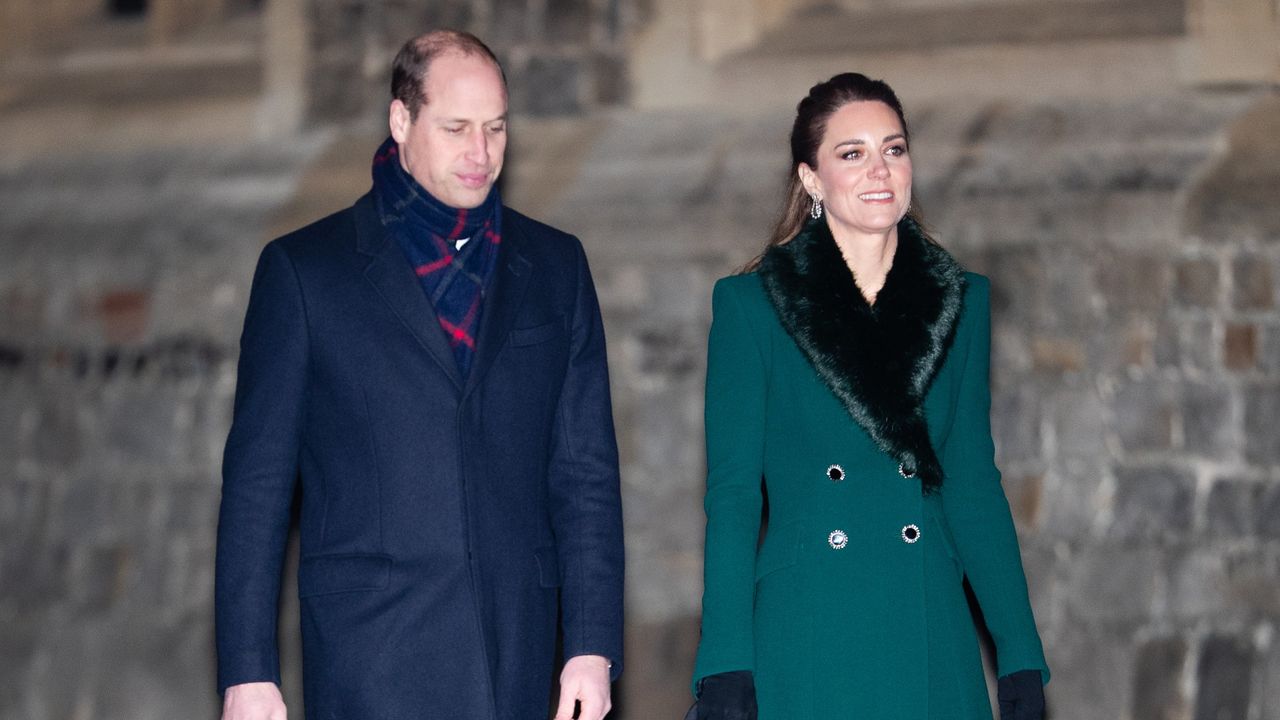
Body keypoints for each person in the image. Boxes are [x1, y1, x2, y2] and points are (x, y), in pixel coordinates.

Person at [215, 30, 623, 720]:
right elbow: (258, 486)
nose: (480, 152)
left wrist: (591, 646)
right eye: (456, 128)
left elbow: (584, 475)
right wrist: (247, 672)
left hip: (519, 655)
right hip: (372, 654)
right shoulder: (306, 273)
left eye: (496, 129)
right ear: (401, 120)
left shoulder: (556, 266)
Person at [686, 73, 1050, 720]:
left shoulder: (962, 302)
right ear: (811, 179)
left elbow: (971, 482)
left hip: (929, 625)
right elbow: (733, 496)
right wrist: (723, 661)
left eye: (894, 148)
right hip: (808, 631)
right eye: (851, 154)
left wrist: (1019, 649)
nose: (879, 170)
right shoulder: (753, 308)